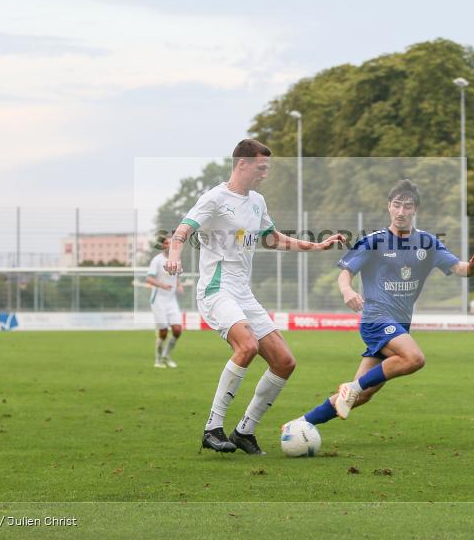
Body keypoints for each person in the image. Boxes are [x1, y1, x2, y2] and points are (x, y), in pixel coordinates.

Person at [164, 139, 345, 455]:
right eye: (261, 167)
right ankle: (212, 428)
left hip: (243, 293)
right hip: (216, 290)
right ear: (242, 164)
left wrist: (313, 246)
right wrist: (175, 255)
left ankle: (244, 431)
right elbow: (183, 229)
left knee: (285, 362)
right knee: (246, 346)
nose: (265, 173)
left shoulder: (258, 201)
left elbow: (272, 239)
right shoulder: (215, 198)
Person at [290, 179, 474, 430]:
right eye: (397, 205)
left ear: (415, 209)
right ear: (389, 207)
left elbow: (458, 267)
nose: (401, 211)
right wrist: (346, 290)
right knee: (414, 358)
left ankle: (301, 424)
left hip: (399, 325)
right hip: (376, 318)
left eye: (407, 206)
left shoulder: (427, 243)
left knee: (362, 395)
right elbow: (344, 273)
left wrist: (470, 268)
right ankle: (352, 387)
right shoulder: (373, 241)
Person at [146, 234, 184, 368]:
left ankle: (166, 356)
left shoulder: (177, 260)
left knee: (178, 330)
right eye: (167, 243)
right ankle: (158, 360)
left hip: (171, 300)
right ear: (163, 246)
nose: (170, 246)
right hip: (158, 300)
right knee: (163, 332)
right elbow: (149, 279)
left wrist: (179, 285)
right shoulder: (157, 260)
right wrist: (162, 285)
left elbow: (176, 277)